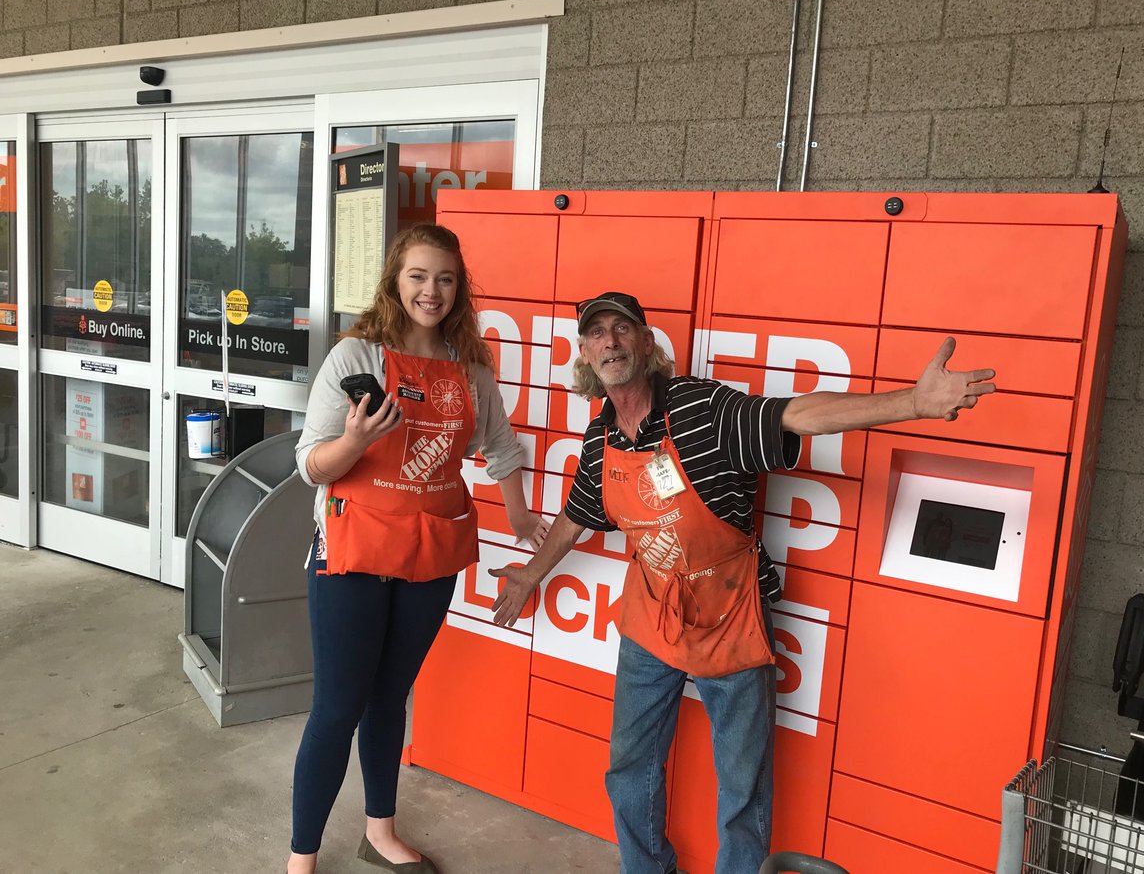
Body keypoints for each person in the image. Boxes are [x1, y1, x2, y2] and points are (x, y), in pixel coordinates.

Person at [489, 291, 995, 874]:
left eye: (622, 329)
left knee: (742, 785)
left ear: (646, 344)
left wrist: (912, 402)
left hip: (731, 617)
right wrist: (530, 575)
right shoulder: (602, 435)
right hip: (652, 613)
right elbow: (578, 513)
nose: (610, 341)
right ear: (584, 353)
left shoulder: (702, 408)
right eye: (597, 333)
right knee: (629, 767)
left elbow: (795, 413)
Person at [288, 223, 548, 874]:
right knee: (337, 709)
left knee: (389, 697)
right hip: (351, 554)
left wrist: (519, 517)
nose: (431, 291)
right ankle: (301, 859)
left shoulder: (470, 369)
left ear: (459, 289)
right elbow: (311, 467)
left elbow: (502, 447)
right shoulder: (356, 358)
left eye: (445, 279)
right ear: (395, 282)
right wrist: (353, 440)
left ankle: (380, 831)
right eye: (418, 276)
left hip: (429, 559)